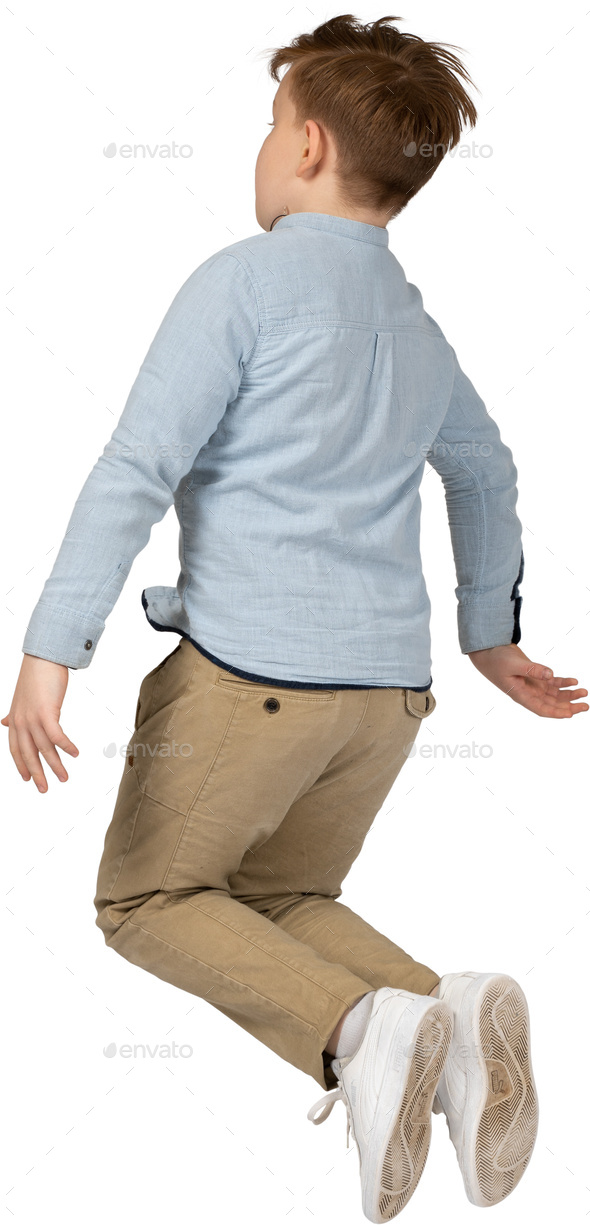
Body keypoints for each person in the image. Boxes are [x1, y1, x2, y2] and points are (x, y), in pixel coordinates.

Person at [3, 14, 587, 1223]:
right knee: (276, 896)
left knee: (147, 902)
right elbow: (482, 471)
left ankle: (356, 1028)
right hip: (385, 702)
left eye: (270, 124)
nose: (261, 147)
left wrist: (52, 648)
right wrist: (491, 635)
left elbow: (133, 468)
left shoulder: (242, 281)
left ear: (309, 144)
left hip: (245, 687)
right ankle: (445, 1011)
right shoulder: (414, 324)